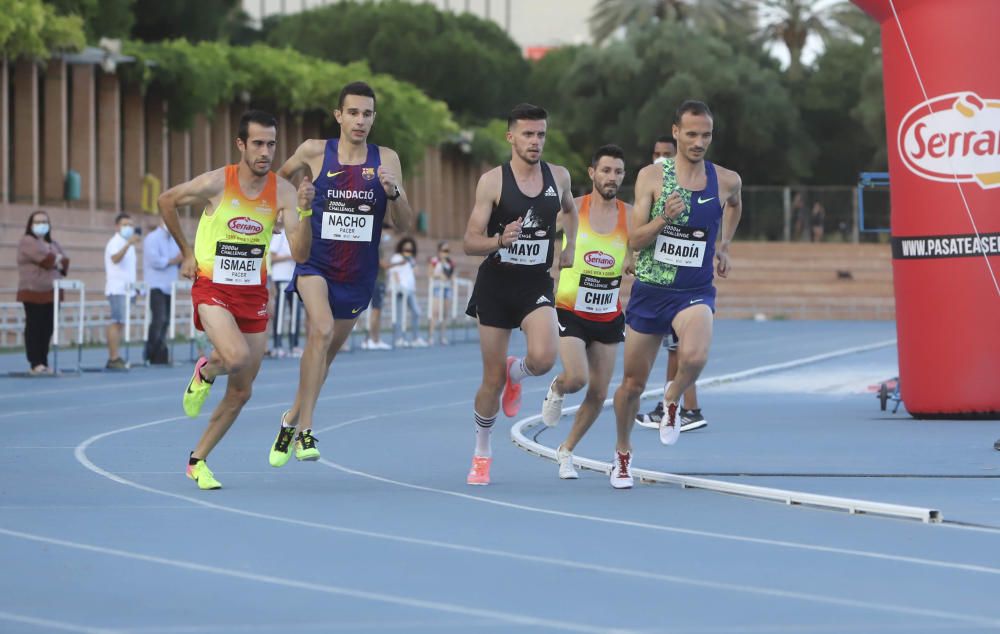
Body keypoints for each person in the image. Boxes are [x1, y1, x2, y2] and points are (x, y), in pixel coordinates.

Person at [158, 109, 313, 490]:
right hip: (212, 287)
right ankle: (208, 370)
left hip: (253, 294)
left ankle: (197, 460)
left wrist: (305, 211)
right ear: (241, 144)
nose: (265, 152)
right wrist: (187, 253)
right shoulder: (217, 182)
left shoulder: (284, 191)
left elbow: (301, 253)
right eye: (258, 143)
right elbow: (166, 200)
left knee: (242, 390)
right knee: (238, 357)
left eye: (271, 144)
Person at [269, 81, 414, 468]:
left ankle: (289, 419)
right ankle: (306, 432)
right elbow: (277, 183)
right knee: (320, 330)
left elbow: (406, 225)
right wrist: (287, 213)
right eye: (353, 112)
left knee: (326, 354)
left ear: (373, 118)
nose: (360, 120)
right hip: (315, 263)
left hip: (358, 274)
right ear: (338, 115)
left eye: (367, 113)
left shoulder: (386, 159)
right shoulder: (315, 151)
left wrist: (394, 192)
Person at [610, 100, 742, 489]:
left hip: (694, 291)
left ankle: (672, 398)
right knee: (632, 384)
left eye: (706, 135)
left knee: (696, 355)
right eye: (692, 134)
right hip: (651, 290)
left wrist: (724, 245)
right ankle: (622, 452)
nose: (699, 142)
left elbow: (734, 207)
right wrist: (664, 218)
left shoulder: (725, 180)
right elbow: (634, 239)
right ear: (676, 133)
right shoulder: (652, 177)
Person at [463, 103, 578, 486]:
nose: (535, 141)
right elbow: (469, 241)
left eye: (541, 134)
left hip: (534, 283)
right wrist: (499, 240)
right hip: (496, 284)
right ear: (510, 137)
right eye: (528, 134)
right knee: (490, 380)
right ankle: (482, 450)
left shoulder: (558, 176)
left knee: (545, 358)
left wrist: (569, 246)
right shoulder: (492, 181)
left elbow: (571, 211)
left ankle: (519, 371)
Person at [540, 144, 631, 479]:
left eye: (618, 172)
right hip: (569, 309)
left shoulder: (631, 215)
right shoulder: (572, 209)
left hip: (608, 315)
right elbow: (542, 238)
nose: (612, 177)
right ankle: (558, 388)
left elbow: (637, 250)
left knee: (599, 392)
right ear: (592, 173)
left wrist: (634, 261)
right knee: (577, 378)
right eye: (605, 170)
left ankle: (566, 451)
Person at [637, 134, 707, 433]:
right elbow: (639, 234)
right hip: (657, 280)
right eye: (656, 152)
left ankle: (686, 407)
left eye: (667, 152)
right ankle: (677, 405)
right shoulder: (651, 183)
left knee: (681, 350)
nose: (661, 158)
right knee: (674, 349)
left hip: (684, 285)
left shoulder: (690, 185)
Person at [16, 210, 70, 375]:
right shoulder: (27, 241)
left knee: (48, 328)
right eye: (38, 222)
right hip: (33, 291)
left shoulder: (53, 243)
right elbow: (47, 261)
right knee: (35, 327)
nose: (42, 225)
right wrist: (55, 259)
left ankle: (44, 362)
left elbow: (65, 262)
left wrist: (56, 259)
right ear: (31, 225)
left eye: (45, 222)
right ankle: (35, 362)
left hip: (52, 292)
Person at [142, 219, 182, 365]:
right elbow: (154, 261)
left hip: (169, 285)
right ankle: (150, 352)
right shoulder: (152, 238)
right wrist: (173, 260)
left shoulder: (174, 240)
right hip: (156, 284)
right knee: (159, 319)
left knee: (166, 321)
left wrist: (179, 260)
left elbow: (179, 261)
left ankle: (161, 353)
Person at [104, 213, 140, 369]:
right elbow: (115, 259)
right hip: (117, 289)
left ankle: (116, 356)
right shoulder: (115, 242)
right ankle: (113, 357)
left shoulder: (128, 244)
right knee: (117, 321)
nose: (128, 228)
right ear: (117, 227)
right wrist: (128, 245)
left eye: (131, 225)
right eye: (125, 225)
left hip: (128, 290)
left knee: (121, 323)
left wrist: (135, 288)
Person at [268, 226, 301, 357]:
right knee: (280, 313)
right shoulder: (280, 233)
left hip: (294, 278)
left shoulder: (297, 234)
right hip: (281, 278)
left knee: (295, 314)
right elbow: (272, 257)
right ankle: (277, 345)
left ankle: (294, 345)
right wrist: (290, 256)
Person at [389, 236, 427, 347]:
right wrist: (398, 286)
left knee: (416, 312)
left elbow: (417, 272)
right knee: (399, 314)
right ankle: (399, 338)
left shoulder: (411, 260)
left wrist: (411, 262)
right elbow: (394, 273)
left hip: (410, 290)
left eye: (410, 250)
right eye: (406, 249)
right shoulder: (396, 257)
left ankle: (415, 338)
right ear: (401, 248)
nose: (408, 251)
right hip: (400, 290)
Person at [363, 226, 393, 350]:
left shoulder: (376, 246)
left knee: (377, 311)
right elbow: (383, 264)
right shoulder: (376, 246)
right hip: (376, 280)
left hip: (377, 280)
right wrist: (400, 263)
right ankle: (370, 339)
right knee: (375, 311)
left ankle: (375, 339)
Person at [428, 240, 456, 345]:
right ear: (439, 251)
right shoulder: (435, 261)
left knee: (445, 313)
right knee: (435, 312)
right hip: (437, 287)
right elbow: (430, 273)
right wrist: (439, 276)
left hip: (447, 288)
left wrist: (452, 279)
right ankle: (431, 336)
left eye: (447, 250)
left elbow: (452, 276)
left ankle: (443, 336)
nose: (445, 253)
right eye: (444, 250)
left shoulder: (450, 263)